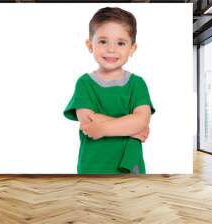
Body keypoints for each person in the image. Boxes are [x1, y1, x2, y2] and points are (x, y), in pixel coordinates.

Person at [63, 7, 155, 175]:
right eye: (103, 41)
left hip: (128, 165)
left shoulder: (137, 84)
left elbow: (142, 120)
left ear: (132, 48)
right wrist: (132, 128)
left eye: (120, 43)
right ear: (90, 45)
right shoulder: (84, 83)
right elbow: (89, 122)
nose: (111, 49)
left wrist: (104, 128)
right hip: (92, 166)